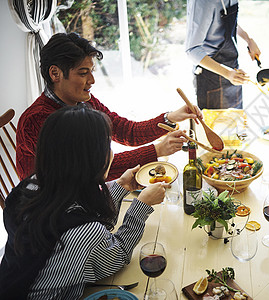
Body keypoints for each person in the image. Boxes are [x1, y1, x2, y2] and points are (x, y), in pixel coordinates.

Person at [0, 106, 167, 298]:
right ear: (90, 160)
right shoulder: (83, 234)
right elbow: (116, 256)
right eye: (107, 145)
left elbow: (88, 219)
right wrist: (141, 208)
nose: (111, 153)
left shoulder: (30, 186)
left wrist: (120, 186)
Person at [16, 32, 202, 181]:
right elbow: (91, 170)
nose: (92, 81)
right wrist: (157, 150)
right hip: (50, 215)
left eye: (92, 71)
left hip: (82, 195)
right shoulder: (37, 120)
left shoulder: (84, 101)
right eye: (83, 73)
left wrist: (169, 118)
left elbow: (125, 131)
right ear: (55, 73)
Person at [185, 0, 261, 109]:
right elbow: (192, 50)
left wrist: (248, 39)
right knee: (216, 124)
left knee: (235, 119)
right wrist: (227, 73)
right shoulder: (203, 2)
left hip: (231, 68)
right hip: (211, 75)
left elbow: (225, 21)